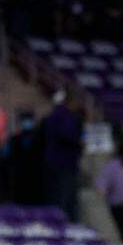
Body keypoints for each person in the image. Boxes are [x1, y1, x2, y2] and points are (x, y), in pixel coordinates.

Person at [42, 91, 84, 221]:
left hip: (58, 163)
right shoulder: (64, 116)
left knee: (61, 200)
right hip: (64, 164)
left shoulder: (57, 114)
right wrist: (81, 140)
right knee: (64, 202)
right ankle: (63, 230)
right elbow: (67, 135)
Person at [1, 110, 44, 206]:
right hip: (19, 181)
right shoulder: (14, 140)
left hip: (36, 180)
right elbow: (6, 158)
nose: (27, 124)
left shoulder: (40, 140)